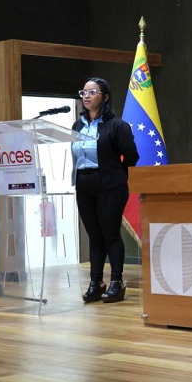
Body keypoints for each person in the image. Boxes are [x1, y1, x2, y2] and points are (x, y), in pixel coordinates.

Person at [72, 78, 139, 304]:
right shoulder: (77, 126)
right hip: (83, 183)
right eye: (84, 92)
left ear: (105, 97)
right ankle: (96, 283)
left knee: (110, 233)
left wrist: (116, 173)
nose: (86, 96)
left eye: (92, 92)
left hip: (110, 184)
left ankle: (116, 283)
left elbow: (131, 156)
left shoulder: (117, 126)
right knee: (94, 235)